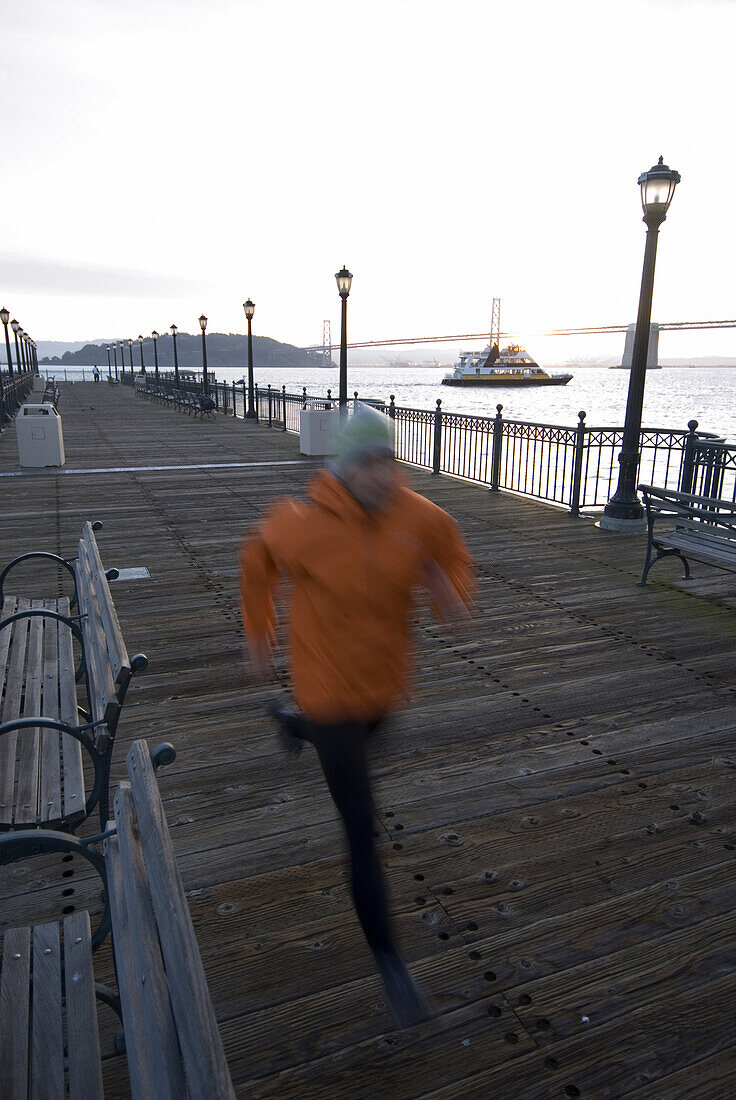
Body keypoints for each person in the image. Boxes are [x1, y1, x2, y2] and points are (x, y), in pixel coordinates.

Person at [239, 404, 474, 1027]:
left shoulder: (418, 519)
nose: (384, 474)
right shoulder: (304, 526)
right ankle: (392, 965)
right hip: (328, 686)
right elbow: (256, 561)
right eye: (369, 462)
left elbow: (454, 555)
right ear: (343, 470)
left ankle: (292, 725)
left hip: (383, 690)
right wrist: (259, 632)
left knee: (355, 737)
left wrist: (447, 587)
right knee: (362, 830)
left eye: (390, 459)